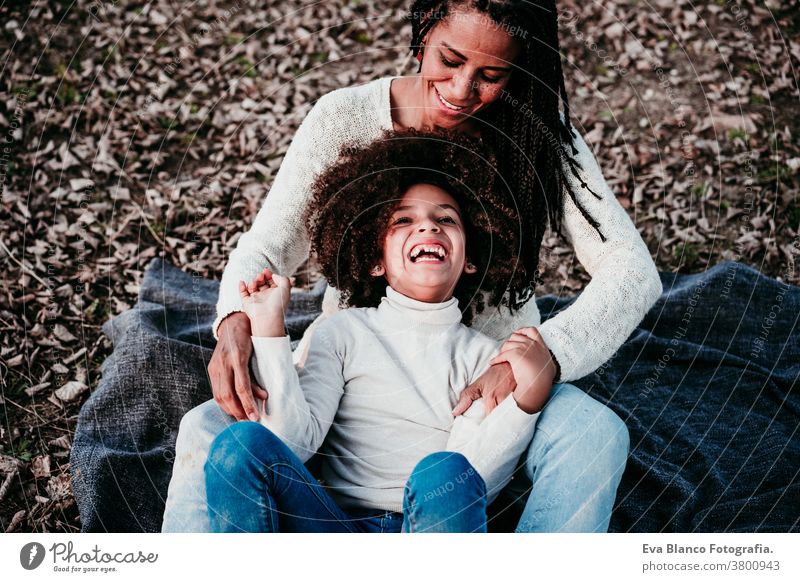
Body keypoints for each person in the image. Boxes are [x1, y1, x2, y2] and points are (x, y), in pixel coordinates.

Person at [166, 0, 661, 533]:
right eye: (449, 60)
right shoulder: (343, 119)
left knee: (595, 434)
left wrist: (545, 354)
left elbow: (632, 269)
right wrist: (236, 319)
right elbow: (266, 247)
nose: (461, 89)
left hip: (488, 395)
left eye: (491, 76)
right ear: (423, 33)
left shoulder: (536, 132)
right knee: (208, 429)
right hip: (357, 389)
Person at [204, 130, 557, 532]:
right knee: (239, 446)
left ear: (471, 259)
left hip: (424, 532)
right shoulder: (341, 333)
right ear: (375, 261)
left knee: (443, 470)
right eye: (404, 220)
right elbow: (292, 442)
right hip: (332, 528)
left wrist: (526, 402)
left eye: (446, 219)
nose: (429, 228)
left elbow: (474, 481)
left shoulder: (485, 358)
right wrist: (269, 331)